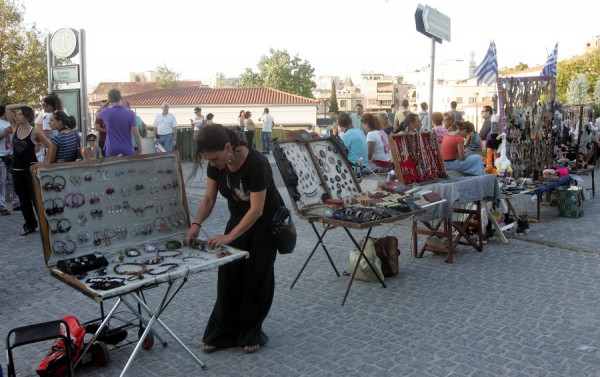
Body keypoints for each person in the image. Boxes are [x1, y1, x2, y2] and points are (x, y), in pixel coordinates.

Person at [185, 124, 280, 354]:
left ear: (228, 147)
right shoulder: (215, 165)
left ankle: (250, 332)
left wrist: (228, 236)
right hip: (237, 220)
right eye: (208, 160)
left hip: (264, 225)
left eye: (216, 158)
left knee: (256, 278)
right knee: (228, 277)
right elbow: (209, 199)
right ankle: (222, 333)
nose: (213, 164)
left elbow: (256, 210)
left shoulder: (256, 163)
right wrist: (196, 224)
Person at [5, 104, 52, 235]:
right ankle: (30, 224)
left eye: (20, 114)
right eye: (17, 114)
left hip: (30, 170)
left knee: (35, 198)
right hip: (16, 169)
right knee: (23, 199)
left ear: (26, 116)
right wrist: (23, 105)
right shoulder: (15, 127)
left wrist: (44, 162)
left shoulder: (35, 131)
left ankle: (45, 224)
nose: (17, 116)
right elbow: (8, 108)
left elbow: (50, 146)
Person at [98, 89, 142, 157]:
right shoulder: (130, 113)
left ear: (110, 99)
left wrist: (107, 102)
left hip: (112, 149)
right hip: (127, 149)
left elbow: (97, 113)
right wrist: (140, 151)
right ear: (121, 97)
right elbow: (136, 134)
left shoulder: (107, 112)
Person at [0, 104, 20, 215]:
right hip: (1, 155)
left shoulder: (12, 123)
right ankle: (1, 206)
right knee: (1, 182)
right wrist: (5, 132)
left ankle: (16, 202)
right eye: (13, 112)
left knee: (13, 180)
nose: (15, 115)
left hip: (11, 154)